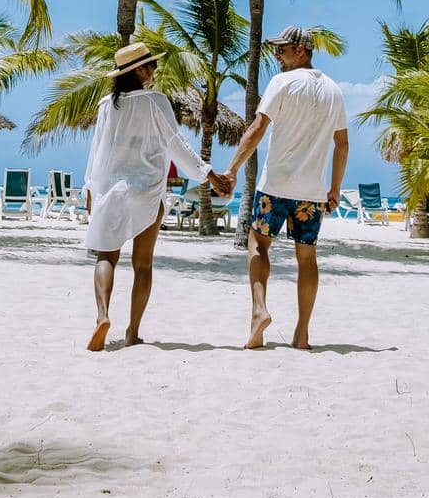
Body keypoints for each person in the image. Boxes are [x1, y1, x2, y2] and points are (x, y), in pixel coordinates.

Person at [84, 40, 229, 352]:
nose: (156, 68)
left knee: (106, 256)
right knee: (143, 265)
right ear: (139, 70)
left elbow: (97, 151)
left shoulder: (107, 106)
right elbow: (177, 143)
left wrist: (89, 188)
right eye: (151, 64)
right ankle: (133, 332)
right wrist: (209, 175)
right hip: (147, 192)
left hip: (111, 190)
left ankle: (101, 316)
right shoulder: (156, 101)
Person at [219, 25, 348, 351]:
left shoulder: (282, 83)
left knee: (258, 245)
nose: (276, 55)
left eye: (282, 49)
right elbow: (342, 143)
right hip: (312, 193)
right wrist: (334, 188)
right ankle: (302, 335)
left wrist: (231, 168)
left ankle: (259, 312)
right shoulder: (334, 90)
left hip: (275, 186)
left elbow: (258, 128)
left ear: (301, 50)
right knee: (307, 260)